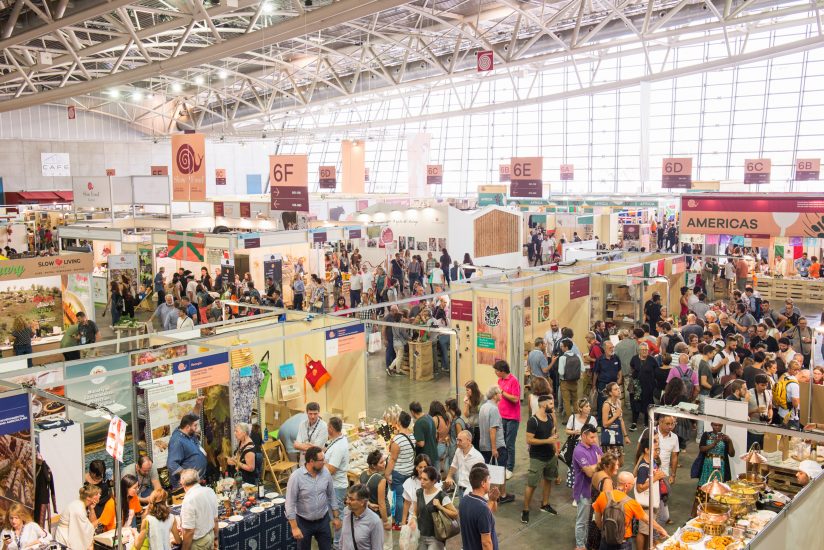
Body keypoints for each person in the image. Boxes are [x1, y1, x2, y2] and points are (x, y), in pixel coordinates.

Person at [593, 472, 668, 550]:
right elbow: (648, 520)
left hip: (605, 541)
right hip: (623, 543)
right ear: (626, 485)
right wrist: (661, 529)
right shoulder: (631, 503)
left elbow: (598, 522)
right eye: (632, 484)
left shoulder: (602, 496)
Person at [286, 446, 340, 550]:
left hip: (323, 520)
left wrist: (336, 517)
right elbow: (290, 504)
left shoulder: (326, 473)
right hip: (303, 523)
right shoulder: (296, 477)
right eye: (321, 460)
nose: (324, 462)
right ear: (311, 461)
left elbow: (331, 495)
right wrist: (294, 527)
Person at [521, 395, 559, 523]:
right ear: (544, 405)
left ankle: (545, 504)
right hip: (537, 457)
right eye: (551, 404)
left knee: (549, 480)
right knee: (532, 484)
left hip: (550, 455)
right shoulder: (533, 421)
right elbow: (529, 440)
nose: (553, 406)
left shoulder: (549, 417)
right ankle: (525, 510)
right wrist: (547, 441)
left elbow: (552, 435)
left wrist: (555, 450)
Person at [408, 466, 458, 550]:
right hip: (421, 536)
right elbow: (416, 512)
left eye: (425, 479)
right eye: (421, 478)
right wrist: (413, 519)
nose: (421, 481)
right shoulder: (419, 493)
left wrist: (440, 507)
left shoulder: (441, 495)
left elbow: (455, 514)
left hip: (436, 538)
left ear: (433, 481)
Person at [478, 386, 514, 503]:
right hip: (495, 447)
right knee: (499, 471)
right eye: (499, 393)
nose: (501, 394)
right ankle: (500, 496)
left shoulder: (483, 407)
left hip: (484, 445)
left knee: (488, 472)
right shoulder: (493, 409)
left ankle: (492, 495)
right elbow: (492, 430)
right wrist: (494, 448)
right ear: (494, 396)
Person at [633, 433, 667, 550]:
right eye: (655, 449)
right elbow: (639, 487)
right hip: (645, 506)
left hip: (652, 503)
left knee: (648, 531)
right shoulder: (643, 467)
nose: (658, 452)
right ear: (647, 450)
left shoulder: (652, 462)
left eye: (658, 449)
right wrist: (655, 478)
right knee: (643, 531)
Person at [573, 424, 603, 550]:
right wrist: (599, 464)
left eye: (595, 436)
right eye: (591, 437)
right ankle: (580, 546)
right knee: (582, 521)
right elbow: (589, 472)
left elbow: (604, 462)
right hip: (583, 491)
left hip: (594, 490)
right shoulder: (579, 451)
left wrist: (596, 465)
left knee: (590, 519)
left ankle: (586, 542)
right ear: (583, 436)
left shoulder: (594, 446)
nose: (594, 440)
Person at [384, 411, 416, 527]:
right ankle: (406, 518)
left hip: (398, 472)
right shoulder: (412, 437)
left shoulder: (397, 440)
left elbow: (392, 459)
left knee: (398, 496)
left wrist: (387, 474)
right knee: (407, 496)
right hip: (409, 470)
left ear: (399, 422)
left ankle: (398, 521)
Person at [459, 465, 500, 550]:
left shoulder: (464, 501)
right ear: (483, 483)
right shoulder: (482, 509)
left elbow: (484, 515)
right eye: (488, 479)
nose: (490, 482)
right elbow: (486, 543)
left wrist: (492, 500)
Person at [324, 417, 350, 550]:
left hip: (337, 487)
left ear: (331, 429)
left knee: (337, 517)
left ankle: (337, 545)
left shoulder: (339, 446)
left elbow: (331, 469)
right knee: (333, 515)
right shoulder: (338, 440)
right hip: (334, 486)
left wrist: (320, 463)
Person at [584, 454, 619, 550]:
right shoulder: (607, 481)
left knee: (592, 542)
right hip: (601, 516)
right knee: (598, 542)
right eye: (615, 465)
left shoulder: (597, 473)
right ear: (606, 466)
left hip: (594, 511)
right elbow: (608, 503)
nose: (617, 467)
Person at [178, 469, 218, 550]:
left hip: (199, 543)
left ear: (182, 484)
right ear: (198, 480)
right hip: (210, 536)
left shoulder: (188, 500)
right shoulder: (209, 491)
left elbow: (189, 531)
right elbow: (216, 519)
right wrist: (216, 538)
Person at [493, 360, 520, 477]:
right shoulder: (500, 380)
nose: (495, 372)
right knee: (502, 442)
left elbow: (515, 399)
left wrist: (502, 392)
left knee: (510, 444)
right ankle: (502, 464)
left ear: (502, 371)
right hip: (501, 416)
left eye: (497, 371)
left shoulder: (514, 381)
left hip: (512, 418)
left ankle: (509, 467)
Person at [167, 414, 208, 491]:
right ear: (187, 427)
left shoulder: (188, 433)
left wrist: (198, 405)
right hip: (186, 485)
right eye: (195, 426)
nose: (197, 428)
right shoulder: (177, 441)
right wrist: (187, 473)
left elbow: (191, 416)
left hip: (195, 482)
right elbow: (171, 464)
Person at [359, 451, 392, 547]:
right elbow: (381, 503)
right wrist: (386, 521)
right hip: (381, 515)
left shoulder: (363, 475)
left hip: (368, 515)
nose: (384, 464)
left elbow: (361, 494)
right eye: (381, 462)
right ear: (373, 465)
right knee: (386, 544)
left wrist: (368, 503)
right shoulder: (380, 479)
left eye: (384, 461)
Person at [54, 485, 99, 550]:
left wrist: (92, 509)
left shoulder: (80, 504)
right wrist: (102, 518)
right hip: (65, 539)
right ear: (88, 498)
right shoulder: (78, 509)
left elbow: (89, 524)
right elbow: (86, 529)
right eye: (96, 494)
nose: (99, 496)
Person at [340, 484, 384, 550]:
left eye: (351, 499)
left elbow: (377, 547)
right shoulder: (347, 511)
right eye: (348, 498)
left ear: (362, 502)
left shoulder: (374, 521)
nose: (347, 501)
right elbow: (343, 539)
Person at [443, 429, 484, 500]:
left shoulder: (478, 457)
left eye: (460, 440)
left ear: (469, 441)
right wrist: (449, 476)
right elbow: (454, 465)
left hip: (472, 491)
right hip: (460, 489)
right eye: (457, 440)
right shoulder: (458, 451)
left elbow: (482, 477)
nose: (457, 442)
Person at [654, 416, 679, 525]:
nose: (670, 426)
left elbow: (674, 457)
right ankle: (655, 520)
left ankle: (664, 517)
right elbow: (640, 450)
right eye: (668, 424)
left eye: (673, 424)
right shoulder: (650, 432)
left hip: (663, 473)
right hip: (650, 471)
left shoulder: (674, 437)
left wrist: (673, 475)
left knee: (663, 495)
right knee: (651, 497)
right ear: (660, 422)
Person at [696, 423, 735, 490]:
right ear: (711, 425)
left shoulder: (724, 438)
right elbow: (701, 448)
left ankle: (716, 499)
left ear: (722, 426)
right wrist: (714, 444)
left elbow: (732, 454)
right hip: (708, 464)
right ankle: (705, 499)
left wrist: (730, 442)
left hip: (720, 466)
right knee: (706, 483)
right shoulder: (706, 435)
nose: (717, 427)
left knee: (719, 485)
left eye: (719, 425)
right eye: (715, 425)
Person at [629, 342, 657, 431]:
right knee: (635, 403)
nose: (645, 351)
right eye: (643, 350)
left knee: (647, 404)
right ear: (639, 351)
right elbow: (632, 367)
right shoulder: (634, 359)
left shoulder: (652, 360)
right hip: (636, 387)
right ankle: (634, 423)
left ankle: (646, 422)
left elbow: (656, 371)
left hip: (648, 386)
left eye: (646, 349)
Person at [601, 382, 629, 466]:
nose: (619, 390)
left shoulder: (618, 402)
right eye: (615, 389)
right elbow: (605, 424)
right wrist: (615, 415)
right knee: (611, 464)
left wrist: (626, 436)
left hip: (618, 435)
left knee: (620, 463)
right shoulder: (606, 405)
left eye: (618, 388)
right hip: (609, 438)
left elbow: (621, 420)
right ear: (610, 392)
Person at [593, 341, 623, 421]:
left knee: (615, 403)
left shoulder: (616, 358)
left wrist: (620, 379)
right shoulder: (599, 360)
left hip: (614, 384)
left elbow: (619, 370)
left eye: (613, 347)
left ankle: (614, 420)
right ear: (605, 349)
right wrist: (593, 386)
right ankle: (600, 423)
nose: (612, 349)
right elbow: (595, 373)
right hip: (603, 385)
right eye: (610, 348)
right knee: (602, 403)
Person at [295, 402, 329, 466]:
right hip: (303, 463)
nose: (312, 416)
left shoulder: (323, 426)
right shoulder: (302, 424)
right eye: (310, 414)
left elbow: (317, 448)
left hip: (315, 465)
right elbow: (296, 445)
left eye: (315, 414)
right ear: (306, 413)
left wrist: (302, 445)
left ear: (319, 413)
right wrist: (310, 446)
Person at [775, 360, 801, 428]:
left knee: (784, 436)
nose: (797, 371)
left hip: (782, 412)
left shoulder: (784, 379)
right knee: (793, 437)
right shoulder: (794, 384)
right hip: (791, 417)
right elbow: (795, 402)